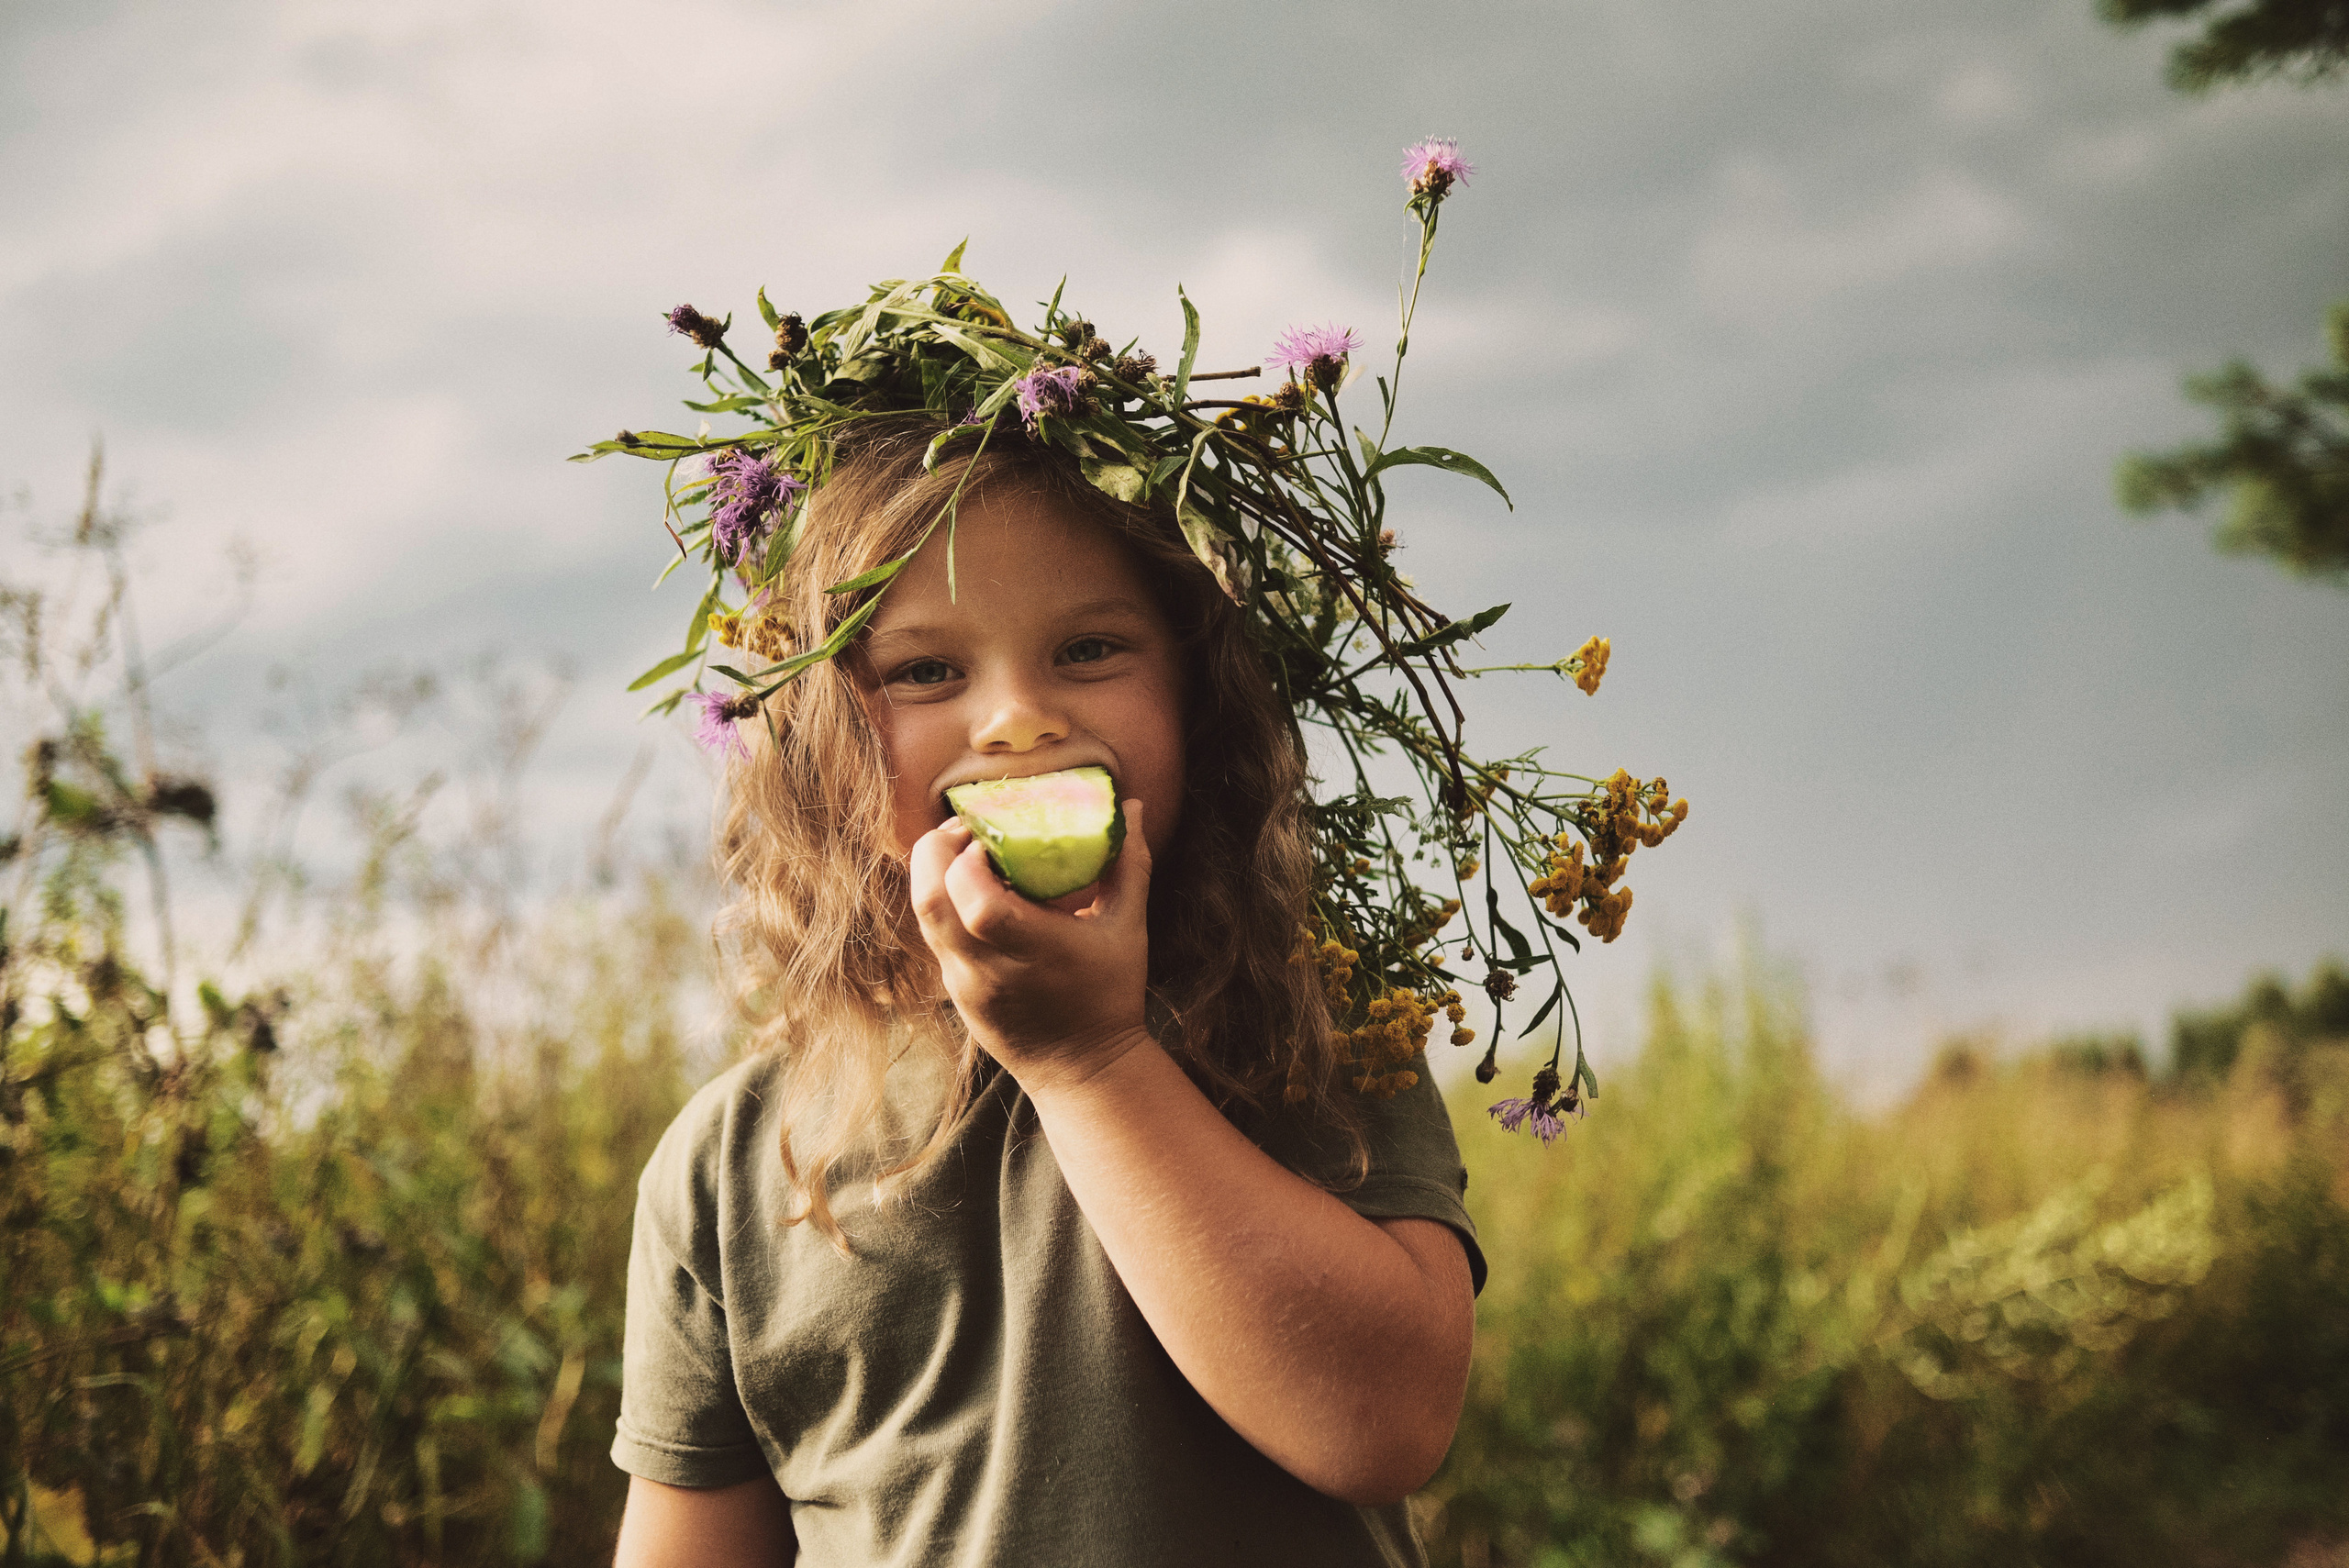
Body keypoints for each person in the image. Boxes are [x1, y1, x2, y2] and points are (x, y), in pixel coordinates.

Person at [607, 420, 1485, 1568]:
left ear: (1196, 699)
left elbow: (1384, 1421)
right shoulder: (730, 1164)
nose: (1018, 716)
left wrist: (1092, 1059)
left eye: (1088, 650)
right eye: (925, 670)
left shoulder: (1301, 1019)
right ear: (816, 743)